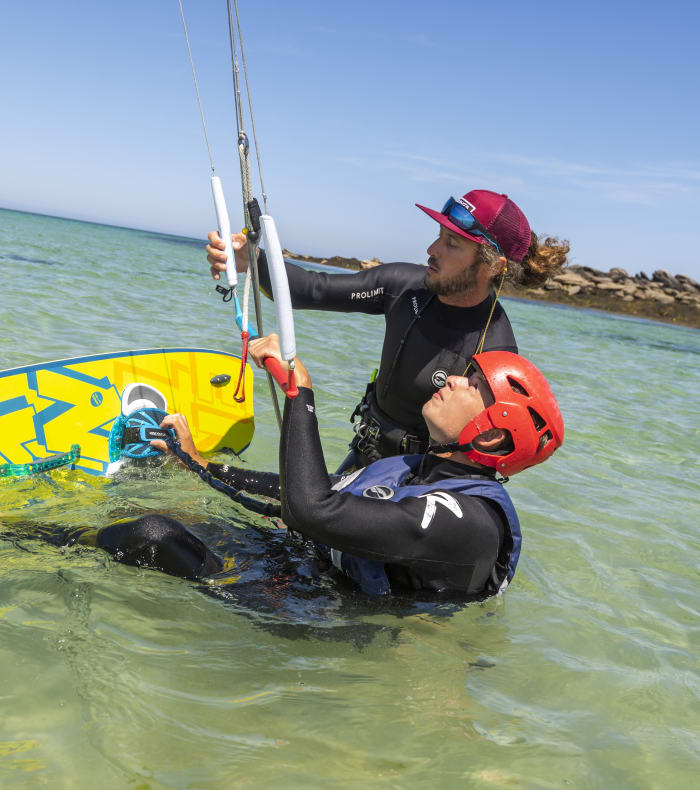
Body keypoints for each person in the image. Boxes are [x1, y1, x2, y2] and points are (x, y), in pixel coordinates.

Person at [95, 333, 563, 600]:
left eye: (473, 384)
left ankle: (29, 549)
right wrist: (201, 465)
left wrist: (301, 396)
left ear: (493, 432)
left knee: (154, 533)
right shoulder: (411, 467)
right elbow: (306, 490)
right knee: (171, 520)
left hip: (318, 616)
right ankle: (48, 538)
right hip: (296, 569)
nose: (454, 378)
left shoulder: (469, 523)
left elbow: (313, 510)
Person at [206, 190, 569, 469]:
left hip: (414, 486)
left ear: (493, 266)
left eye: (451, 244)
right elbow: (312, 289)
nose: (431, 249)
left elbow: (481, 459)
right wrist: (251, 260)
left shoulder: (496, 352)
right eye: (438, 235)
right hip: (362, 454)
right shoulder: (404, 286)